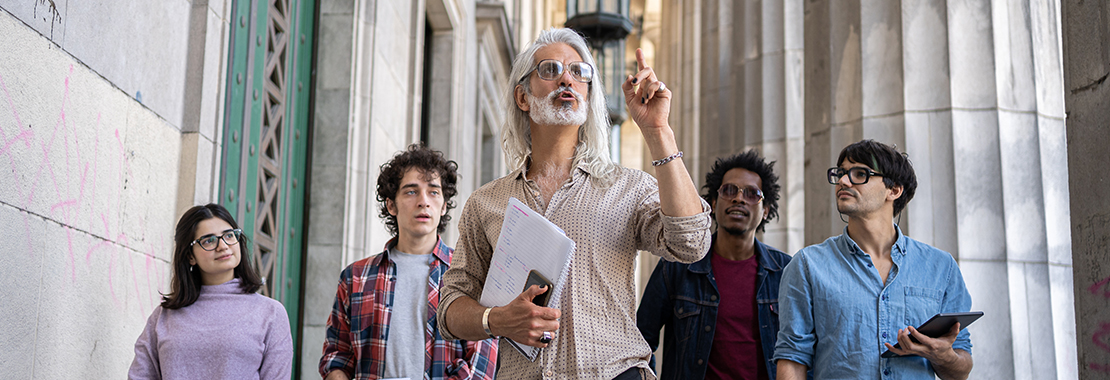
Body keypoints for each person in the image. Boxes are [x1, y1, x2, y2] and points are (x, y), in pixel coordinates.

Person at [436, 27, 712, 380]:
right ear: (523, 97)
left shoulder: (627, 187)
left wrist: (659, 131)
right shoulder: (486, 203)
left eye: (579, 72)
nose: (567, 78)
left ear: (587, 93)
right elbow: (450, 310)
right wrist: (496, 320)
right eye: (550, 70)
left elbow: (691, 243)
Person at [774, 140, 974, 380]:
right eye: (841, 174)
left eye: (860, 174)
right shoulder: (807, 265)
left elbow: (960, 369)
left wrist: (943, 356)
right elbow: (793, 358)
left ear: (894, 190)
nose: (843, 182)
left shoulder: (942, 267)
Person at [319, 144, 497, 380]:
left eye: (433, 192)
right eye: (411, 191)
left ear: (444, 206)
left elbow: (481, 363)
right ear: (391, 205)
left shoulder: (469, 274)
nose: (424, 201)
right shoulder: (356, 277)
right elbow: (336, 357)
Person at [638, 150, 800, 380]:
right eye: (729, 190)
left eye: (752, 194)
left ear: (765, 211)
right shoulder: (677, 265)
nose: (739, 198)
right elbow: (641, 339)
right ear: (713, 204)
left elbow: (802, 350)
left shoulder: (786, 271)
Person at [128, 203, 293, 380]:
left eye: (229, 235)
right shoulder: (163, 317)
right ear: (190, 256)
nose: (223, 246)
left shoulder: (270, 313)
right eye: (208, 240)